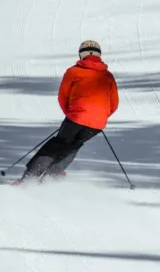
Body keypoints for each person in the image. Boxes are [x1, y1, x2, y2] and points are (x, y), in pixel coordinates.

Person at [16, 40, 119, 185]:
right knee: (74, 145)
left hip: (76, 117)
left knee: (58, 144)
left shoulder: (73, 72)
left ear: (82, 55)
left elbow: (62, 97)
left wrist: (72, 115)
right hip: (97, 124)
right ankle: (52, 175)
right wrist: (99, 117)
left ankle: (29, 178)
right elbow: (113, 104)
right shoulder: (108, 76)